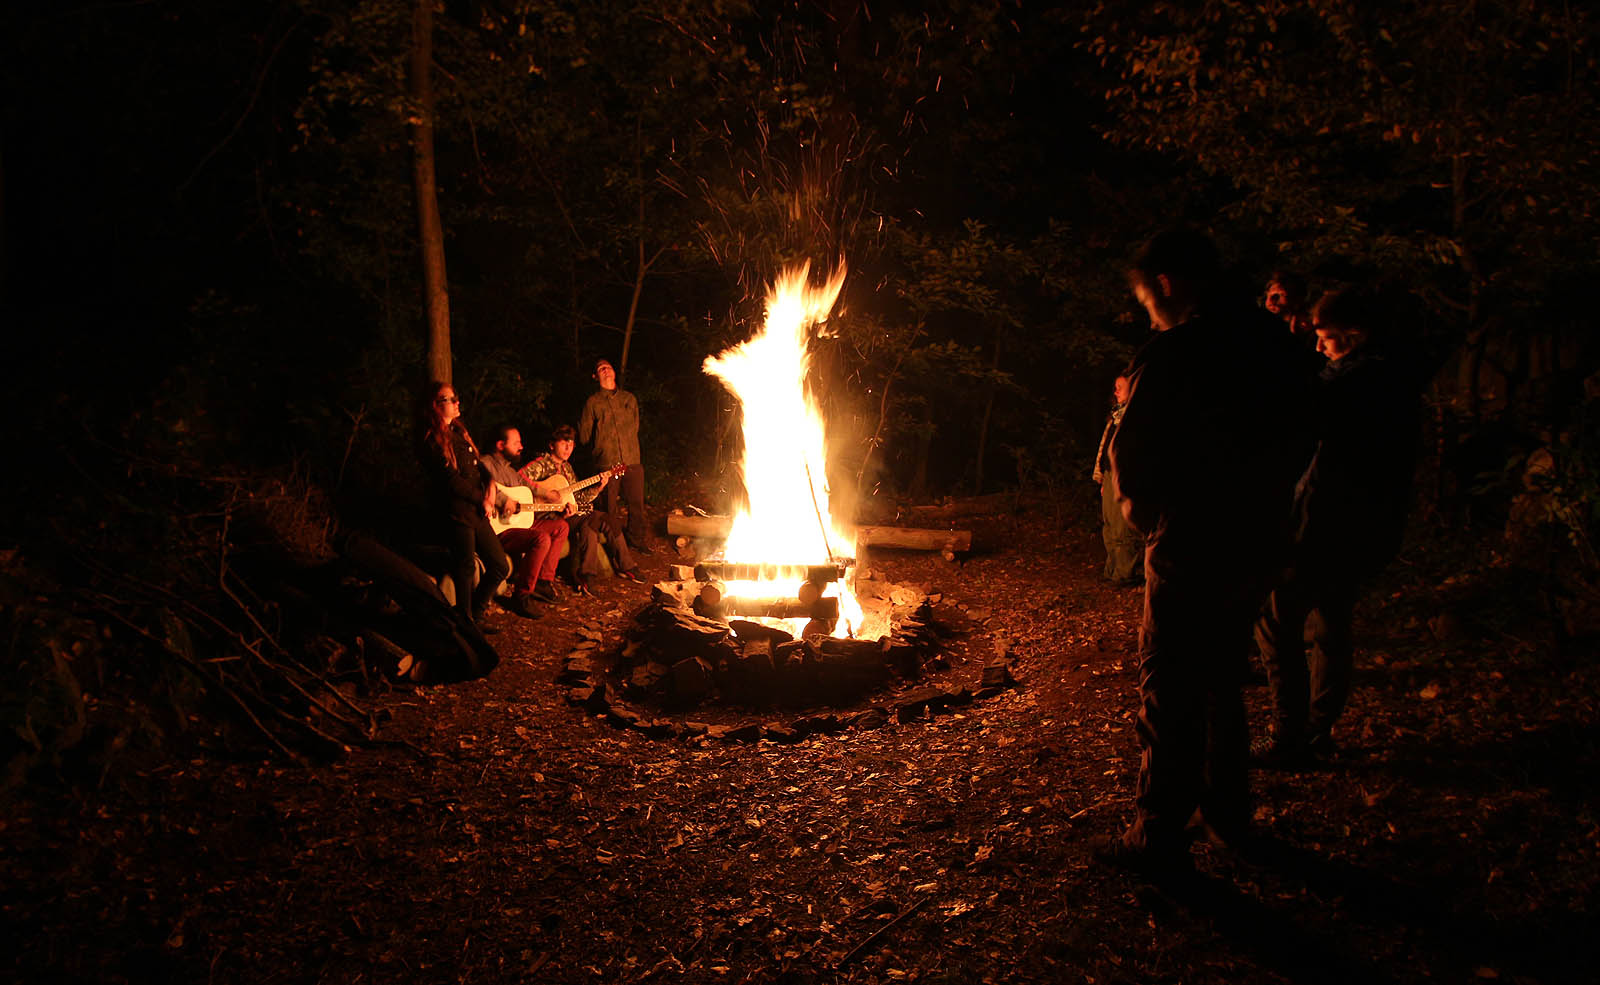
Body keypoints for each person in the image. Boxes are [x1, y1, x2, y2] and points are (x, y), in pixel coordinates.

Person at [1098, 228, 1316, 876]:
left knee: (1171, 682)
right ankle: (1228, 815)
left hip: (1193, 538)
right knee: (1222, 673)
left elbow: (1130, 457)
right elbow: (1307, 432)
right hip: (1257, 537)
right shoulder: (1275, 343)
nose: (1148, 313)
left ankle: (1159, 833)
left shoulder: (1175, 351)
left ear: (1166, 283)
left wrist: (1153, 521)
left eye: (1146, 299)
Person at [1253, 287, 1419, 764]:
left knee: (1277, 622)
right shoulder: (1390, 376)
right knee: (1331, 623)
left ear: (1354, 334)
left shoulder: (1355, 380)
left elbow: (1297, 415)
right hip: (1359, 522)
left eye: (1325, 337)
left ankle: (1291, 735)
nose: (1319, 345)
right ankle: (1315, 731)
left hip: (1326, 520)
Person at [417, 382, 511, 633]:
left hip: (477, 511)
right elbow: (449, 480)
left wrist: (490, 482)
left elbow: (477, 466)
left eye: (456, 397)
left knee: (500, 564)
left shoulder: (459, 432)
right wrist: (481, 498)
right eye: (451, 399)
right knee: (465, 566)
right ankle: (466, 621)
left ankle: (476, 614)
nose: (458, 402)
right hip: (457, 512)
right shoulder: (432, 439)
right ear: (436, 406)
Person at [522, 424, 642, 595]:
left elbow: (577, 499)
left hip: (564, 515)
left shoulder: (567, 469)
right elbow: (519, 479)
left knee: (605, 518)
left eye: (571, 444)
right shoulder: (540, 465)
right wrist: (544, 492)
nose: (568, 448)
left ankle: (626, 566)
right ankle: (586, 576)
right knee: (590, 519)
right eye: (564, 443)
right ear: (551, 445)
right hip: (543, 516)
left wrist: (598, 488)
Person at [481, 425, 571, 619]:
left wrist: (549, 495)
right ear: (500, 445)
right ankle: (521, 596)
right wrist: (504, 501)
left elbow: (528, 486)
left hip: (517, 524)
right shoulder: (485, 463)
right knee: (541, 539)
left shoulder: (511, 471)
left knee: (561, 527)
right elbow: (483, 486)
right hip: (499, 528)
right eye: (516, 443)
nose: (521, 446)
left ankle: (543, 581)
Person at [578, 358, 651, 552]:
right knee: (609, 508)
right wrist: (600, 448)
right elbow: (584, 435)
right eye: (601, 369)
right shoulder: (593, 402)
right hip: (607, 462)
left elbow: (635, 427)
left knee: (636, 504)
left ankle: (636, 541)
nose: (605, 371)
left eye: (608, 367)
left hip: (632, 459)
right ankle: (614, 546)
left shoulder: (629, 399)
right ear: (595, 376)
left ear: (614, 372)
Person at [1092, 375, 1142, 586]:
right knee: (1109, 525)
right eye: (1115, 388)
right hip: (1110, 476)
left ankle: (1126, 573)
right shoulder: (1114, 417)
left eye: (1120, 388)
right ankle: (1112, 571)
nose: (1115, 391)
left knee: (1123, 528)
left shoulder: (1136, 418)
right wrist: (1102, 478)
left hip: (1124, 477)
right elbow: (1105, 449)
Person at [1264, 271, 1314, 347]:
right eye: (1269, 295)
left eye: (1280, 295)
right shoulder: (1266, 325)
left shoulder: (1309, 324)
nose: (1271, 300)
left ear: (1297, 298)